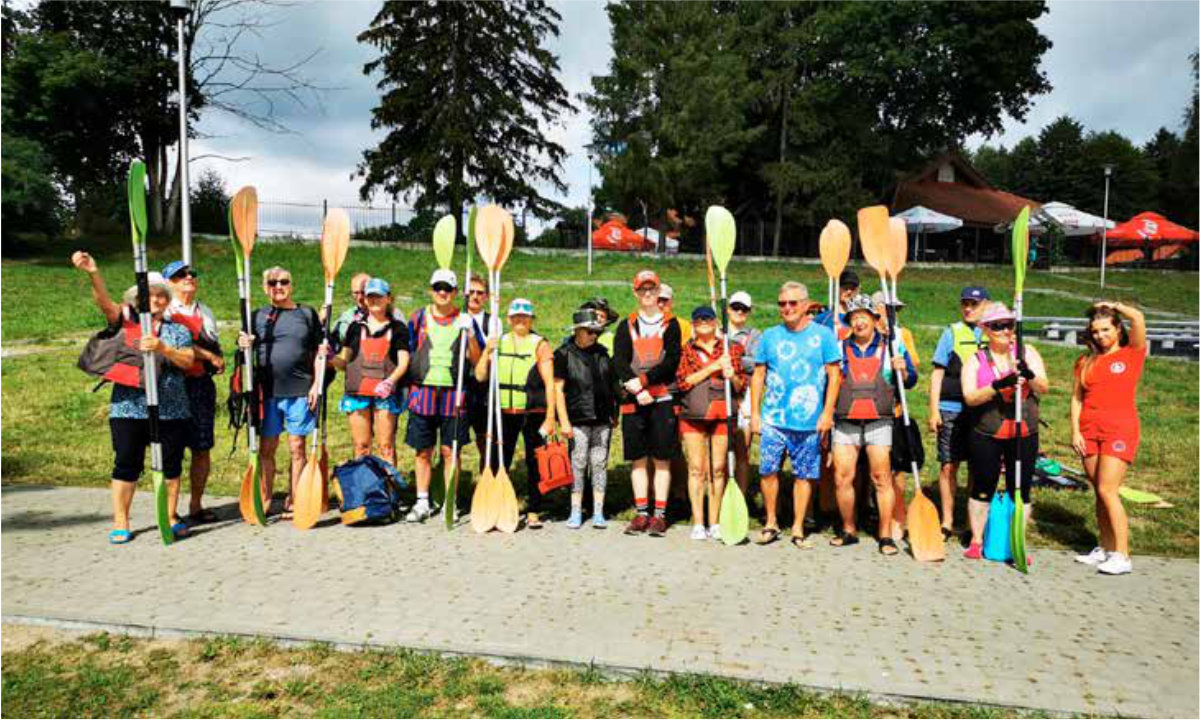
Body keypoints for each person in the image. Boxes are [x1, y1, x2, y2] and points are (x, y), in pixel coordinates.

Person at [72, 252, 196, 543]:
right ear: (137, 299)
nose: (155, 299)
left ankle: (169, 516)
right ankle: (121, 521)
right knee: (126, 463)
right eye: (149, 295)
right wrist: (93, 271)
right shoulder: (125, 321)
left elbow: (188, 361)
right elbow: (104, 303)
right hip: (129, 408)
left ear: (167, 300)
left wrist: (163, 348)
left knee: (171, 464)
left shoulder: (177, 330)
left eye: (160, 296)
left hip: (171, 409)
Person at [750, 281, 842, 548]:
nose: (787, 308)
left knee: (804, 475)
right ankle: (771, 522)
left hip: (809, 421)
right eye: (782, 303)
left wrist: (827, 413)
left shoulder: (823, 336)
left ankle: (798, 526)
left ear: (805, 305)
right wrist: (756, 413)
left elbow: (835, 375)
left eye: (792, 303)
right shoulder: (770, 336)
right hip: (774, 418)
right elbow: (759, 375)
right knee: (768, 471)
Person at [960, 303, 1049, 561]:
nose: (1005, 330)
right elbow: (970, 397)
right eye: (998, 326)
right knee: (983, 488)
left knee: (1019, 489)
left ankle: (1016, 541)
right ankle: (977, 540)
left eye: (1009, 325)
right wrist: (998, 386)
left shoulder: (1026, 352)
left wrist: (1027, 373)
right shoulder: (976, 359)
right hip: (988, 432)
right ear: (986, 329)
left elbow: (1044, 387)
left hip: (1023, 432)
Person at [830, 294, 916, 555]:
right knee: (843, 478)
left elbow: (911, 381)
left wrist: (903, 369)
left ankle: (885, 535)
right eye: (853, 318)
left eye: (863, 317)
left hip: (880, 421)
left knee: (881, 478)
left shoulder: (892, 346)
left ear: (874, 319)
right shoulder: (839, 347)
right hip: (846, 421)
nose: (858, 322)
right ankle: (848, 529)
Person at [237, 266, 325, 519]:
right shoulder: (255, 316)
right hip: (267, 393)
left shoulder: (306, 314)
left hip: (300, 391)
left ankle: (295, 498)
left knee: (297, 447)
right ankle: (264, 497)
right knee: (267, 448)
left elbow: (320, 352)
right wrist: (243, 344)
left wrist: (316, 385)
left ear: (291, 285)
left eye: (283, 281)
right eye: (273, 282)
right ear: (265, 288)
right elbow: (242, 350)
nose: (278, 286)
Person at [1070, 302, 1147, 575]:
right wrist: (1076, 431)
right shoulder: (1085, 361)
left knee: (1107, 489)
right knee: (1099, 491)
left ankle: (1122, 555)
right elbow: (1077, 398)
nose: (1100, 336)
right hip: (1089, 430)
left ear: (1117, 329)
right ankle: (1104, 547)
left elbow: (1138, 317)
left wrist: (1113, 306)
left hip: (1119, 430)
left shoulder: (1132, 353)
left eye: (1106, 330)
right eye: (1095, 331)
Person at [405, 268, 481, 522]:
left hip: (454, 395)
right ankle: (422, 502)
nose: (442, 293)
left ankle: (451, 501)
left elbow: (477, 359)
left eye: (447, 289)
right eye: (438, 288)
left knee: (451, 452)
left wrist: (470, 333)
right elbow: (405, 352)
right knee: (423, 451)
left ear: (456, 292)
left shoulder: (465, 319)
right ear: (431, 291)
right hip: (423, 393)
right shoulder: (418, 318)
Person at [474, 298, 556, 528]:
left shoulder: (540, 344)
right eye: (516, 316)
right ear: (509, 319)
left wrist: (550, 418)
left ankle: (534, 509)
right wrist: (486, 353)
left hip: (533, 412)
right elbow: (480, 376)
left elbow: (550, 384)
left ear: (531, 319)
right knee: (498, 459)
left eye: (525, 316)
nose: (521, 320)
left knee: (535, 461)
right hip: (503, 412)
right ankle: (496, 504)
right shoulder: (498, 343)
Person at [613, 269, 683, 537]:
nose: (648, 293)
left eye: (652, 288)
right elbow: (619, 359)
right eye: (643, 289)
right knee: (639, 460)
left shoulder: (671, 324)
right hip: (634, 400)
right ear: (636, 292)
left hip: (661, 397)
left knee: (662, 459)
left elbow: (671, 361)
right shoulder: (627, 324)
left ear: (658, 291)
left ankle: (660, 515)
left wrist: (644, 382)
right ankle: (642, 513)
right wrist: (634, 385)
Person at [160, 260, 224, 525]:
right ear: (168, 283)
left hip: (200, 386)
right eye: (179, 275)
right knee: (172, 450)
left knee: (201, 447)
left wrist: (217, 358)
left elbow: (213, 343)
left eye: (191, 274)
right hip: (173, 385)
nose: (188, 278)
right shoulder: (163, 311)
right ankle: (169, 511)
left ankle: (196, 505)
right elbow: (174, 343)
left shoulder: (205, 311)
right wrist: (208, 354)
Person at [676, 305, 747, 540]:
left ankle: (715, 521)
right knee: (697, 469)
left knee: (718, 469)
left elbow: (740, 387)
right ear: (694, 324)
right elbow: (684, 382)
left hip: (722, 414)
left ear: (716, 322)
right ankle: (698, 522)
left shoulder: (731, 349)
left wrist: (731, 374)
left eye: (708, 319)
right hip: (693, 416)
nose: (703, 322)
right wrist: (713, 367)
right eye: (699, 320)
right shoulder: (686, 350)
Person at [326, 278, 410, 466]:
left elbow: (404, 362)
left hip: (385, 395)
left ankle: (387, 493)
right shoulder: (354, 328)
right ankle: (364, 489)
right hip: (358, 395)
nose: (374, 300)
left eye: (379, 296)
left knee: (385, 447)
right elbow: (344, 362)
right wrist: (330, 356)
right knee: (361, 446)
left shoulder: (398, 329)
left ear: (388, 298)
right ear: (364, 299)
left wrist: (390, 381)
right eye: (370, 296)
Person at [928, 286, 989, 540]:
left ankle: (971, 524)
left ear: (985, 305)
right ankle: (947, 522)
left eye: (974, 304)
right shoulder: (950, 333)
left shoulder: (993, 332)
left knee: (977, 467)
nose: (968, 308)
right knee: (948, 466)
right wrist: (934, 410)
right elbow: (937, 373)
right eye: (965, 303)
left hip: (982, 411)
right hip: (951, 408)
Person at [553, 307, 620, 529]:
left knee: (599, 463)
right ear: (578, 331)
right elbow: (558, 390)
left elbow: (612, 386)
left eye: (597, 332)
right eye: (590, 332)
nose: (594, 336)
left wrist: (614, 413)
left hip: (602, 418)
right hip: (577, 418)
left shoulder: (602, 353)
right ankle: (575, 510)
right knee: (578, 463)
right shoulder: (563, 354)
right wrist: (563, 421)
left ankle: (599, 511)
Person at [727, 290, 762, 496]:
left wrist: (730, 358)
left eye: (744, 309)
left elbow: (755, 362)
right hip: (719, 393)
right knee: (720, 449)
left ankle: (740, 495)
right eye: (735, 307)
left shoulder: (755, 335)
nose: (739, 312)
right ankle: (721, 495)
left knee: (742, 448)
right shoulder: (718, 330)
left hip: (746, 392)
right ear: (728, 308)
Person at [464, 274, 493, 468]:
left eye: (480, 293)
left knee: (484, 437)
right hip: (457, 382)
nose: (475, 296)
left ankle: (486, 475)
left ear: (487, 297)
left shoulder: (492, 322)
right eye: (471, 292)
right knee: (453, 440)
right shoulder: (455, 317)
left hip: (481, 386)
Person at [330, 273, 372, 350]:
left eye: (363, 292)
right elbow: (334, 345)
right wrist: (322, 322)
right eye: (356, 293)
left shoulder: (391, 316)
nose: (360, 298)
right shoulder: (346, 318)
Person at [816, 270, 859, 340]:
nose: (849, 291)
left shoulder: (861, 319)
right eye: (845, 288)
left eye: (852, 288)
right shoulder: (823, 318)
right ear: (836, 288)